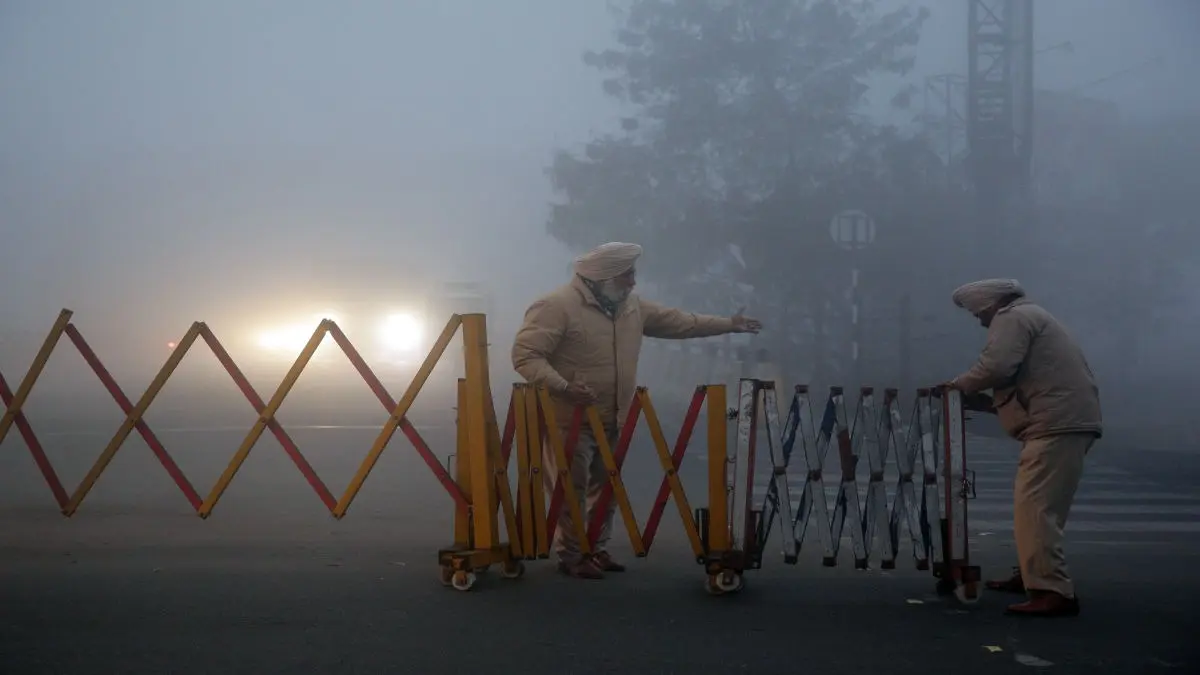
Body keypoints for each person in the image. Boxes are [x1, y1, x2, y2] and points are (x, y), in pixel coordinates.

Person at [511, 242, 762, 579]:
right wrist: (563, 387)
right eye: (627, 275)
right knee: (571, 487)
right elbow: (526, 356)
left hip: (615, 415)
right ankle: (571, 555)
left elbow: (679, 322)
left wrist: (728, 324)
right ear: (603, 278)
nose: (632, 282)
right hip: (568, 418)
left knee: (608, 485)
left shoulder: (629, 307)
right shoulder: (556, 307)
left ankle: (596, 548)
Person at [945, 278, 1102, 617]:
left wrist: (956, 386)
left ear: (989, 304)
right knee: (1043, 508)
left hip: (1056, 425)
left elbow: (997, 366)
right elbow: (1028, 381)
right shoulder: (1035, 316)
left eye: (977, 313)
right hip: (1066, 420)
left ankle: (1051, 590)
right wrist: (987, 404)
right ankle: (1032, 575)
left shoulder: (1012, 318)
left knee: (1035, 508)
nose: (979, 320)